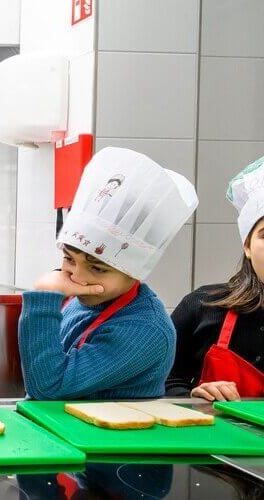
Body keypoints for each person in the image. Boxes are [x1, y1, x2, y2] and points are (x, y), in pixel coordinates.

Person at [18, 148, 198, 400]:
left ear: (133, 270)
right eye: (69, 259)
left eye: (97, 268)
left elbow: (49, 387)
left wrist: (43, 296)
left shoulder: (145, 330)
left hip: (111, 438)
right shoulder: (81, 301)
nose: (78, 277)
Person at [167, 155, 264, 401]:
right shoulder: (202, 304)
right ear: (247, 246)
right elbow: (162, 378)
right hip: (214, 438)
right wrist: (192, 396)